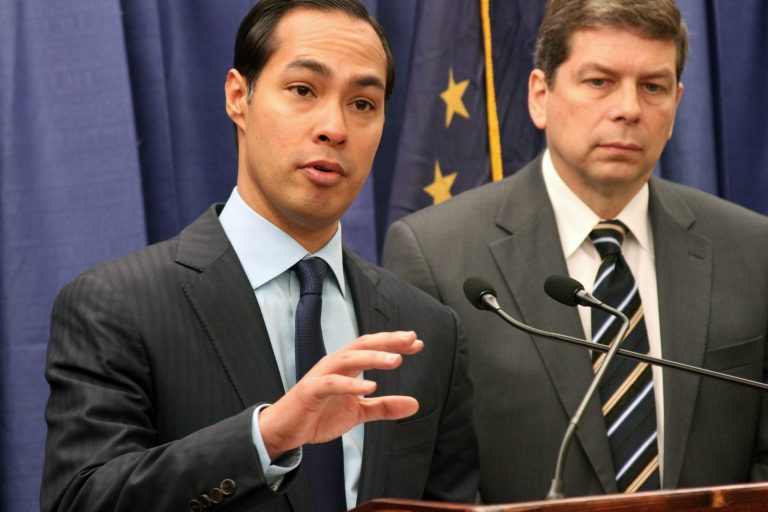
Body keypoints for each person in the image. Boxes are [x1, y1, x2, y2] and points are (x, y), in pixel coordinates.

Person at [40, 1, 478, 511]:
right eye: (302, 91)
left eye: (362, 104)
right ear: (237, 97)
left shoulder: (428, 329)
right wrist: (264, 438)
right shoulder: (116, 304)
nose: (334, 128)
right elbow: (80, 500)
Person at [384, 0, 768, 503]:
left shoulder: (752, 250)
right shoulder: (436, 256)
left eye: (652, 87)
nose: (629, 108)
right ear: (540, 96)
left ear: (676, 106)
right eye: (599, 82)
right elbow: (422, 482)